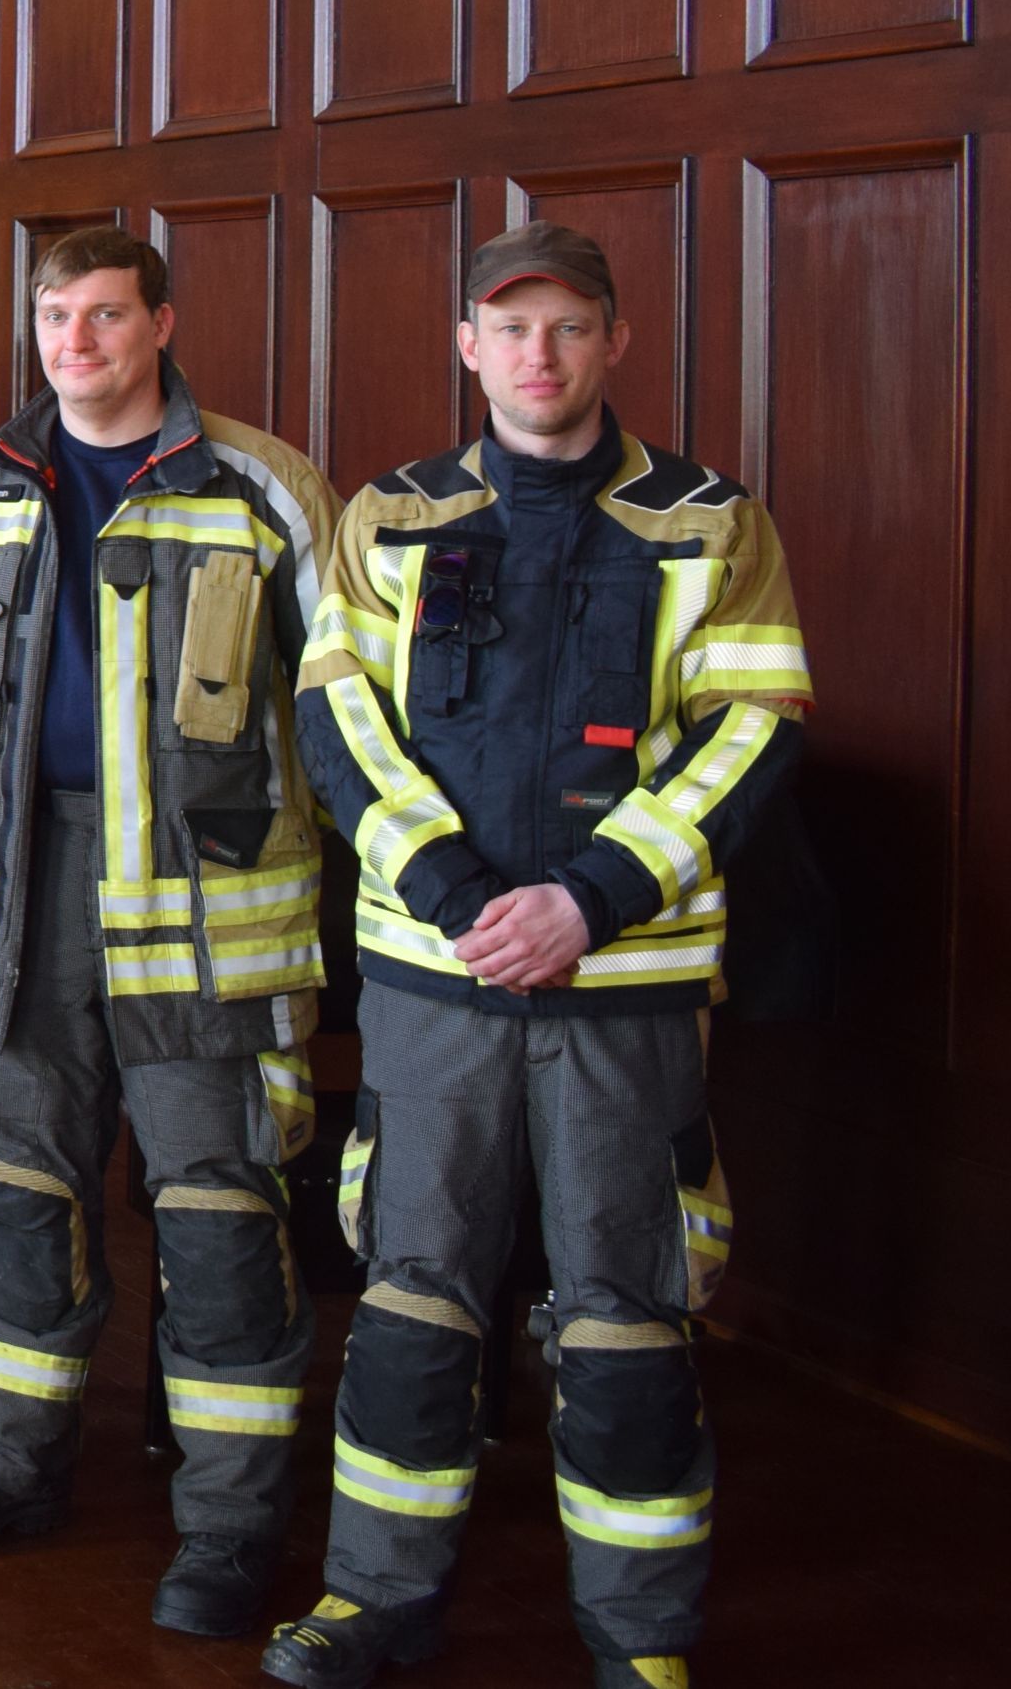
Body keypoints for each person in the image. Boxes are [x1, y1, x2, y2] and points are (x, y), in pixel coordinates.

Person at [266, 225, 809, 1689]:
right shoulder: (387, 514)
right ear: (468, 345)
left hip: (619, 991)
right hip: (436, 980)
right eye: (512, 330)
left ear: (617, 339)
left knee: (629, 1308)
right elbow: (337, 718)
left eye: (570, 327)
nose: (541, 355)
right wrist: (451, 889)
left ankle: (640, 1633)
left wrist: (587, 901)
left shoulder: (712, 521)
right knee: (411, 1291)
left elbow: (751, 733)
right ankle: (377, 1596)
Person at [0, 225, 339, 1642]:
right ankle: (6, 1470)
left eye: (102, 314)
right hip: (29, 898)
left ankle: (226, 1528)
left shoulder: (263, 483)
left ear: (161, 322)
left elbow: (336, 717)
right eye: (53, 316)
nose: (73, 341)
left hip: (205, 918)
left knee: (216, 1216)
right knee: (17, 1197)